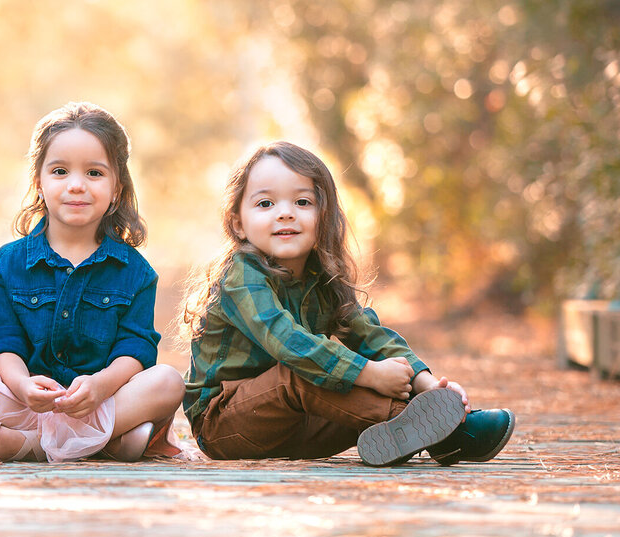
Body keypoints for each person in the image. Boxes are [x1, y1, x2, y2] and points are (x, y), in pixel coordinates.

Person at [181, 141, 515, 466]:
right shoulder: (242, 276)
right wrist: (369, 373)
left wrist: (426, 384)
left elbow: (369, 334)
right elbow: (290, 344)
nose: (285, 214)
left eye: (302, 202)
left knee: (342, 372)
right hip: (225, 425)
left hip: (295, 425)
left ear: (323, 216)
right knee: (306, 371)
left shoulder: (321, 276)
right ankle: (443, 432)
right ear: (238, 222)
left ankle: (431, 431)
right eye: (266, 204)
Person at [0, 102, 185, 463]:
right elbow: (3, 343)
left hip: (102, 400)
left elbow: (136, 349)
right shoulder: (5, 265)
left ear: (117, 188)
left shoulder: (136, 272)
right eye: (60, 171)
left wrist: (101, 385)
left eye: (94, 173)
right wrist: (24, 387)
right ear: (39, 182)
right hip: (30, 403)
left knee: (168, 381)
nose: (76, 185)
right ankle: (105, 441)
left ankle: (31, 445)